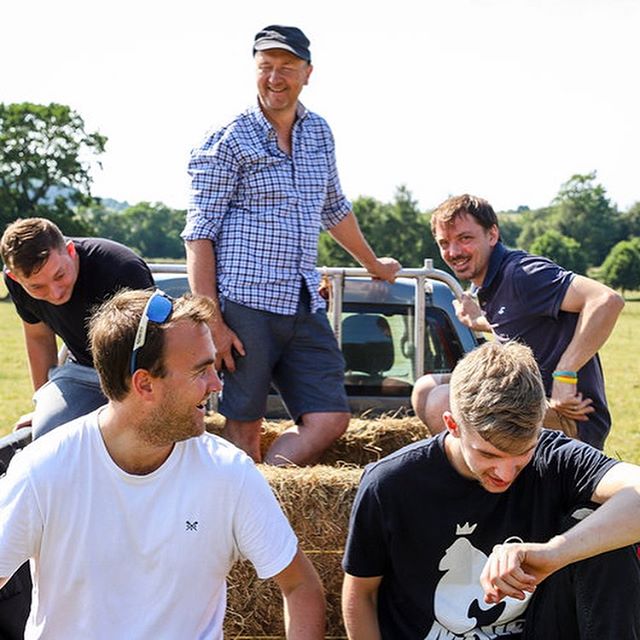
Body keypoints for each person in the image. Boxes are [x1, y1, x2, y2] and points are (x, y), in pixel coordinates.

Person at [0, 289, 325, 639]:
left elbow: (301, 587)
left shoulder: (229, 473)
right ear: (145, 384)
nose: (216, 384)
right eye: (201, 371)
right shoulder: (43, 470)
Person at [182, 25, 401, 466]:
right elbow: (199, 234)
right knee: (243, 424)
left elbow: (334, 208)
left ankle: (267, 487)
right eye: (265, 67)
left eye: (286, 68)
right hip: (244, 302)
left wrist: (374, 264)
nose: (274, 78)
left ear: (308, 73)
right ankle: (244, 521)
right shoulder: (227, 139)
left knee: (330, 416)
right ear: (254, 71)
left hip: (302, 300)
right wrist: (214, 323)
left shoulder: (319, 132)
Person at [342, 341, 640, 639]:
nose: (505, 472)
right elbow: (361, 594)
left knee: (599, 527)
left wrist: (553, 553)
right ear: (452, 425)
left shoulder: (555, 457)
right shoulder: (390, 483)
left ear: (539, 428)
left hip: (539, 628)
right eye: (488, 454)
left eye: (523, 452)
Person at [411, 194, 624, 450]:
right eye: (444, 243)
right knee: (425, 388)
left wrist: (565, 374)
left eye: (465, 239)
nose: (454, 252)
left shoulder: (523, 273)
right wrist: (479, 320)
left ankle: (489, 485)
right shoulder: (490, 281)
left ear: (492, 235)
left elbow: (606, 300)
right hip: (526, 405)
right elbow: (522, 321)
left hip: (568, 419)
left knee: (442, 401)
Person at [1, 217, 154, 439]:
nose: (55, 293)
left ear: (71, 251)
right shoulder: (16, 283)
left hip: (138, 373)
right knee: (48, 435)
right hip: (83, 371)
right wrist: (42, 405)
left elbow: (154, 345)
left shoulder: (121, 267)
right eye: (37, 287)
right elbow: (38, 338)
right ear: (14, 277)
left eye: (59, 275)